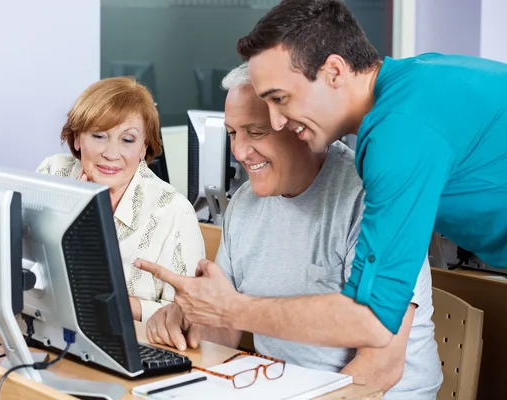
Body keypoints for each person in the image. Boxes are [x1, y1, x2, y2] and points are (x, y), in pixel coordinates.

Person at [137, 64, 442, 398]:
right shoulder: (244, 203)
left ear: (298, 126)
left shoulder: (373, 201)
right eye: (232, 133)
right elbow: (224, 332)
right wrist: (183, 320)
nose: (238, 152)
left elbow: (378, 372)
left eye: (255, 132)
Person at [226, 0, 507, 343]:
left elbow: (374, 320)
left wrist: (231, 309)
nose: (276, 121)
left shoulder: (399, 134)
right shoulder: (414, 81)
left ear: (334, 71)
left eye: (280, 99)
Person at [37, 76, 205, 322]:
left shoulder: (174, 212)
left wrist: (117, 305)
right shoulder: (53, 173)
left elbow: (190, 316)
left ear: (144, 148)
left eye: (127, 140)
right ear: (76, 138)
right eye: (98, 135)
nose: (111, 154)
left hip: (137, 345)